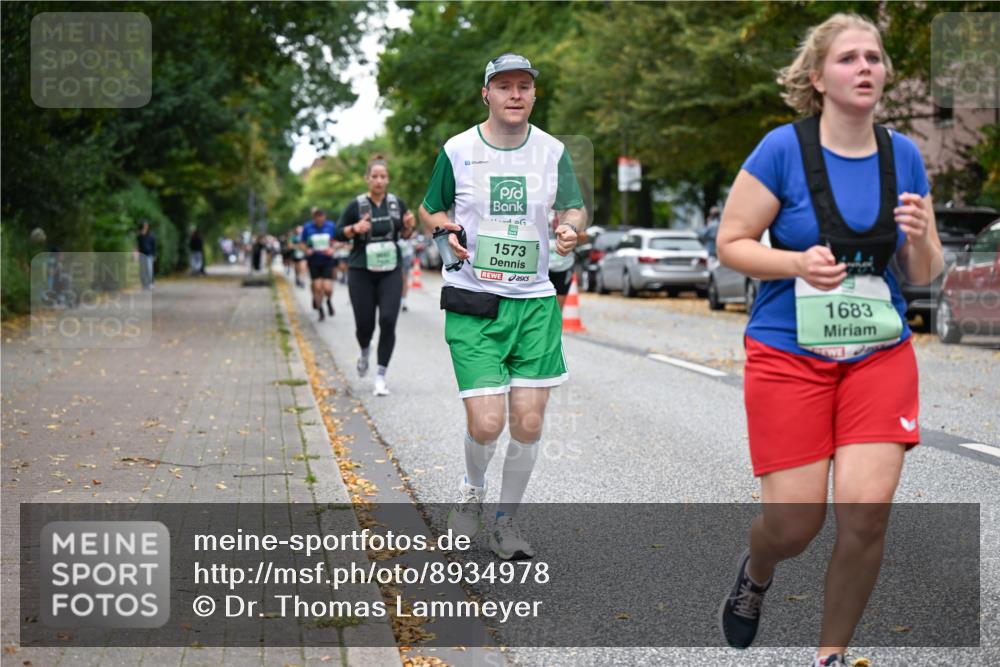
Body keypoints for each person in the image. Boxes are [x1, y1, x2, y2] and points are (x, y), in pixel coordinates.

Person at [715, 14, 943, 667]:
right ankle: (757, 569)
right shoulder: (781, 150)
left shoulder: (904, 156)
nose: (866, 67)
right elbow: (730, 244)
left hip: (878, 350)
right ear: (817, 77)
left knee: (866, 513)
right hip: (789, 352)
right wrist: (795, 264)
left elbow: (924, 278)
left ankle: (830, 655)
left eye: (874, 56)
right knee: (795, 524)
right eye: (849, 58)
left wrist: (924, 234)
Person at [418, 53, 586, 560]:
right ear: (486, 94)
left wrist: (569, 229)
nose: (515, 94)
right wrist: (444, 229)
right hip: (476, 301)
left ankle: (505, 523)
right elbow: (430, 208)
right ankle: (471, 495)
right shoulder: (458, 149)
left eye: (524, 86)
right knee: (488, 423)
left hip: (534, 302)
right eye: (504, 86)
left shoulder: (553, 151)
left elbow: (573, 206)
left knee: (529, 423)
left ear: (535, 95)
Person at [335, 154, 416, 396]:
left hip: (390, 269)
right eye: (374, 177)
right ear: (367, 179)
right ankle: (364, 350)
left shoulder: (396, 204)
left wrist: (410, 226)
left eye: (383, 177)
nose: (379, 181)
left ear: (387, 179)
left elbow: (405, 235)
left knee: (389, 320)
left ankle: (380, 376)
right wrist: (354, 229)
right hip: (361, 270)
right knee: (365, 324)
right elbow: (338, 232)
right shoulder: (357, 205)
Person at [301, 207, 337, 321]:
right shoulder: (307, 227)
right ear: (314, 219)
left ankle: (328, 301)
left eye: (322, 219)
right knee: (317, 287)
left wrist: (333, 249)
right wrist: (307, 250)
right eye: (317, 220)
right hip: (314, 260)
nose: (320, 222)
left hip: (327, 260)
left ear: (325, 217)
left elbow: (336, 241)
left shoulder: (331, 226)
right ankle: (320, 310)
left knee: (327, 288)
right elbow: (302, 243)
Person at [547, 211, 588, 311]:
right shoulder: (540, 206)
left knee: (557, 309)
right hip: (542, 266)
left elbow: (584, 238)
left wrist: (573, 233)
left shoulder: (571, 211)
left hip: (564, 265)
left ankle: (554, 325)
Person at [398, 235, 416, 311]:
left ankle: (403, 302)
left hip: (406, 255)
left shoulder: (409, 225)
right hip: (394, 254)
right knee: (396, 279)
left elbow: (412, 235)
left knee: (405, 279)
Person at [137, 221, 156, 290]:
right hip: (142, 255)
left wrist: (154, 255)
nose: (145, 227)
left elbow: (154, 246)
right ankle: (144, 284)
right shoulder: (140, 236)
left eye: (146, 226)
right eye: (144, 226)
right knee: (142, 270)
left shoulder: (151, 236)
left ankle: (151, 283)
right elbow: (138, 245)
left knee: (149, 270)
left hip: (149, 255)